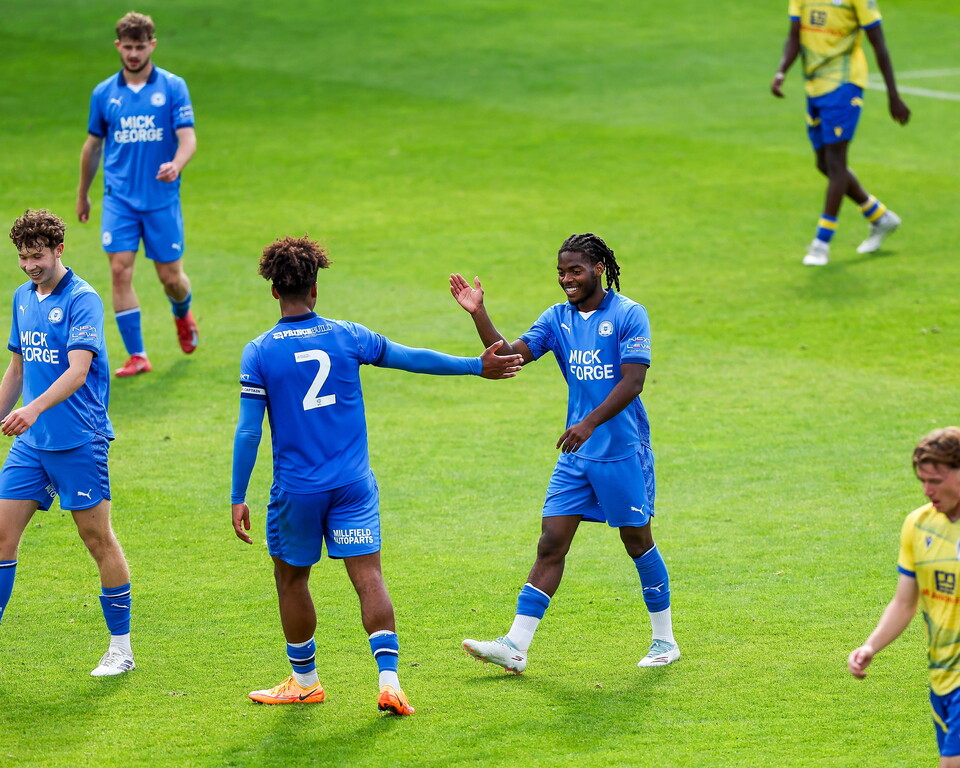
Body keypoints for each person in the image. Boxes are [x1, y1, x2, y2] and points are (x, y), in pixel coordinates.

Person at [231, 235, 523, 714]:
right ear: (315, 288)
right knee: (368, 576)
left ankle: (305, 682)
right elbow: (412, 357)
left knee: (291, 580)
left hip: (298, 490)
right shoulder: (348, 335)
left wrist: (237, 494)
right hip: (352, 486)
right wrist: (476, 366)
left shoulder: (259, 352)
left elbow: (249, 431)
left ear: (274, 290)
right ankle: (390, 682)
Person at [451, 233, 679, 673]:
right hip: (576, 455)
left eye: (575, 270)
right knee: (551, 542)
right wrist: (479, 313)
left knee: (637, 542)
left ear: (598, 269)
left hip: (620, 450)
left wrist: (589, 423)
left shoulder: (629, 314)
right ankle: (515, 646)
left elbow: (633, 382)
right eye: (561, 272)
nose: (566, 279)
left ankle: (665, 641)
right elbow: (510, 357)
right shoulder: (557, 319)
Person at [0, 209, 133, 677]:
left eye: (37, 256)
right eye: (23, 257)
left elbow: (78, 371)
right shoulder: (22, 296)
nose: (30, 265)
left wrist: (33, 409)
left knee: (97, 539)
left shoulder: (82, 299)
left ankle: (121, 649)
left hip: (79, 440)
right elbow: (17, 369)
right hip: (32, 445)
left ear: (58, 250)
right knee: (1, 536)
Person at [77, 11, 198, 376]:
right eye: (127, 47)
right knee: (119, 271)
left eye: (140, 47)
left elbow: (188, 138)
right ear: (118, 46)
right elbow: (92, 147)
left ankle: (182, 313)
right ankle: (138, 355)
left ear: (152, 45)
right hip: (120, 200)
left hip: (161, 199)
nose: (133, 54)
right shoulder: (104, 93)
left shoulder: (173, 87)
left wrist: (176, 164)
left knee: (171, 279)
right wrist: (83, 194)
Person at [849, 428, 960, 767]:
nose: (928, 490)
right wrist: (871, 646)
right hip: (942, 676)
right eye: (922, 481)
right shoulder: (918, 524)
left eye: (936, 480)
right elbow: (905, 602)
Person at [771, 0, 910, 266]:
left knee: (836, 162)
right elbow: (794, 35)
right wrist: (781, 72)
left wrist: (893, 95)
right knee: (823, 163)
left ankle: (821, 243)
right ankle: (879, 217)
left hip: (845, 84)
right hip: (815, 85)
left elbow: (878, 43)